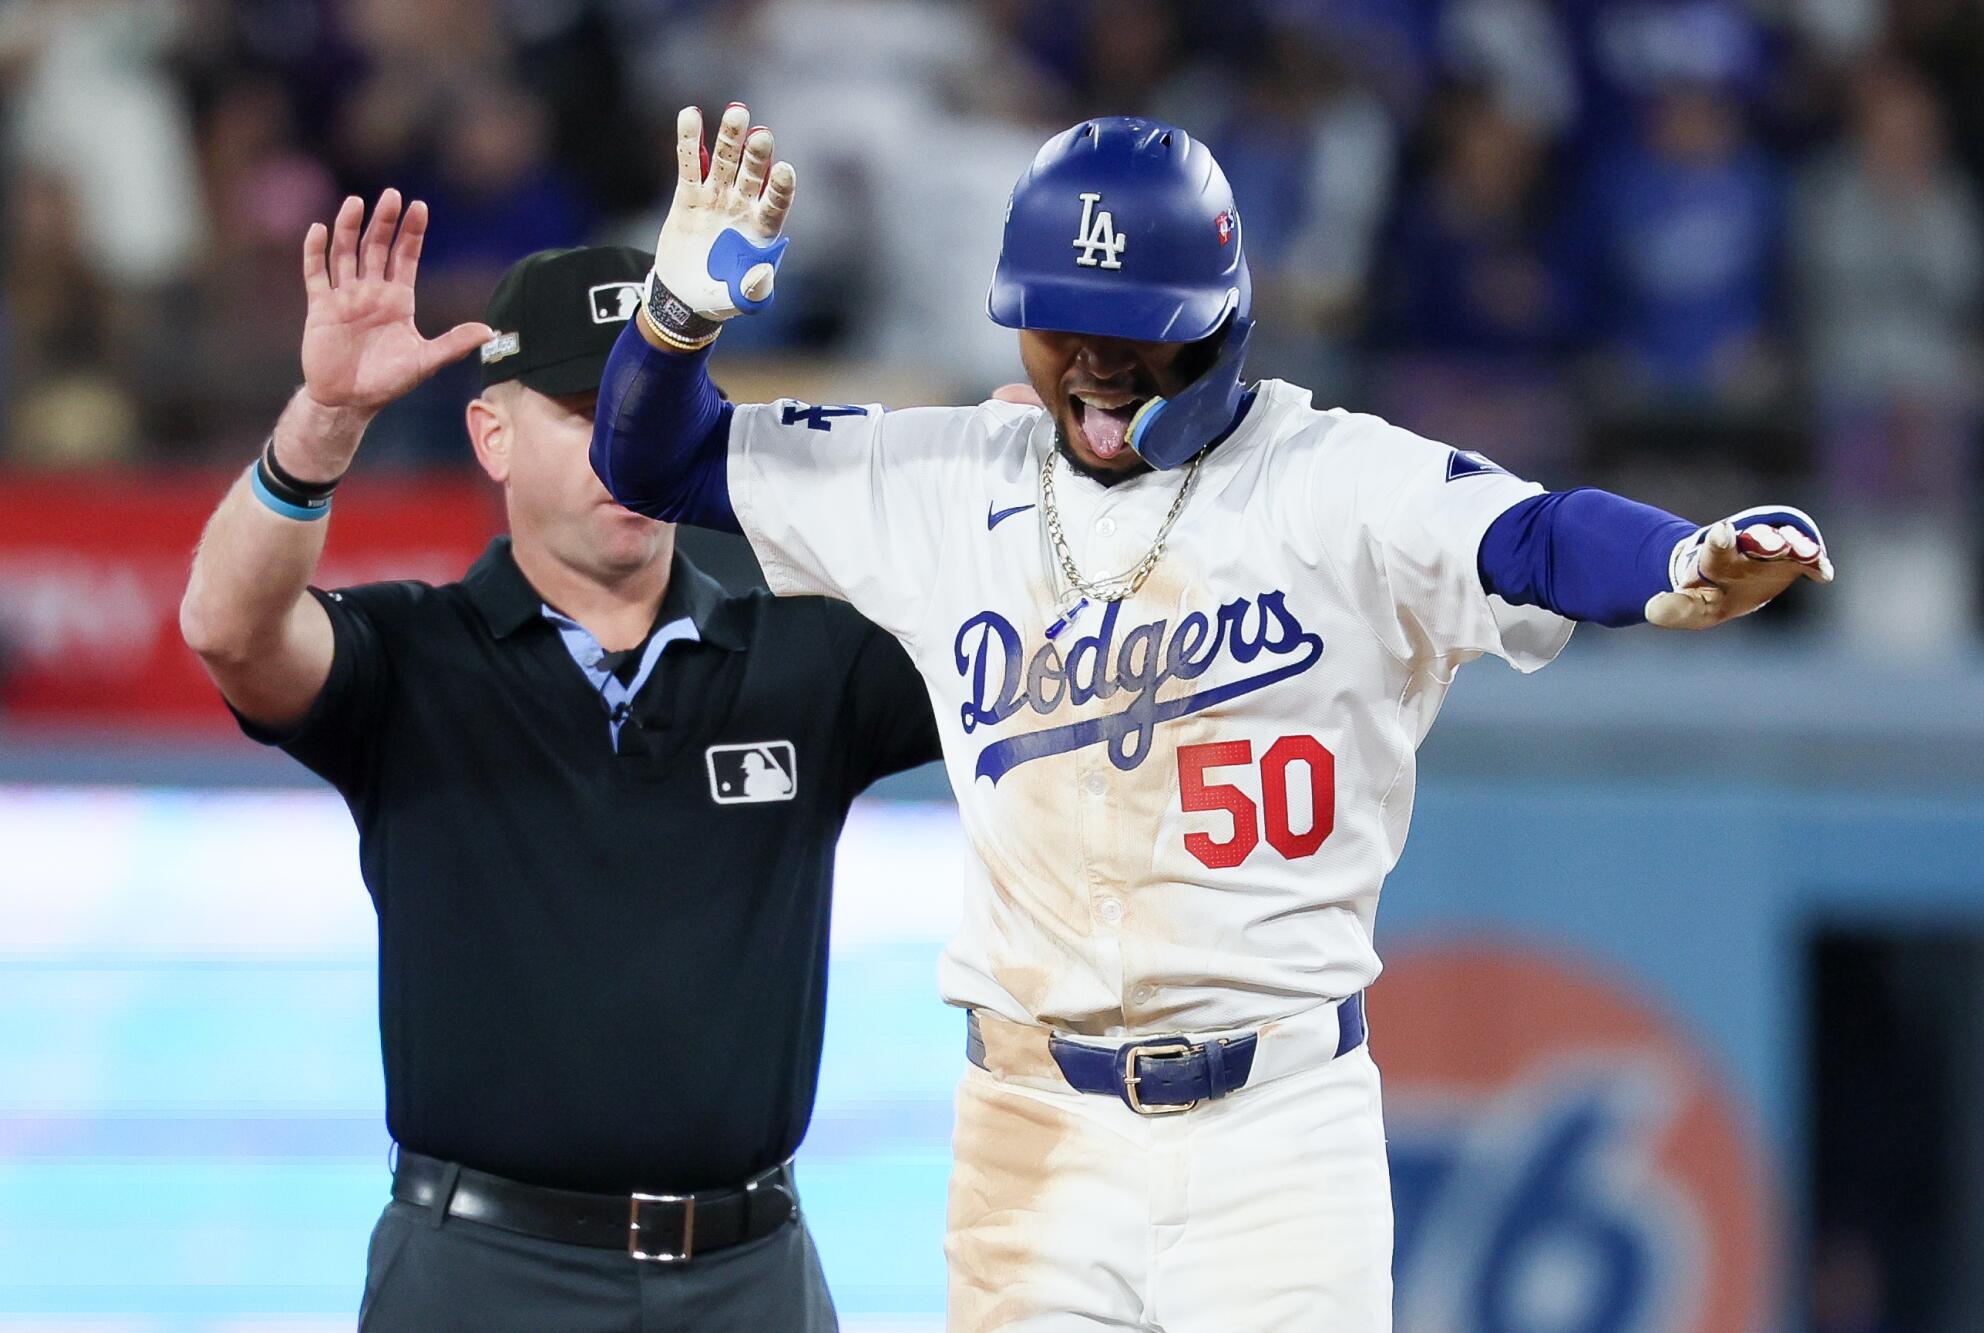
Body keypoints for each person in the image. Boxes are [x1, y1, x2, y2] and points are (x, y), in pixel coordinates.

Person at [588, 107, 1834, 1330]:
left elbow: (1531, 536)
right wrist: (676, 316)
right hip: (1032, 1128)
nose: (1093, 362)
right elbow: (655, 461)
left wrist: (1678, 559)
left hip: (1279, 1137)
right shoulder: (941, 477)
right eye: (1061, 324)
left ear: (1222, 325)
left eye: (1135, 333)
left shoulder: (1335, 479)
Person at [178, 190, 938, 1331]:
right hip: (483, 1279)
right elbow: (229, 630)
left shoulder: (810, 654)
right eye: (589, 410)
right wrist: (323, 423)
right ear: (491, 436)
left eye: (657, 405)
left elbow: (1040, 652)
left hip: (752, 1274)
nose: (629, 444)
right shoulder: (410, 658)